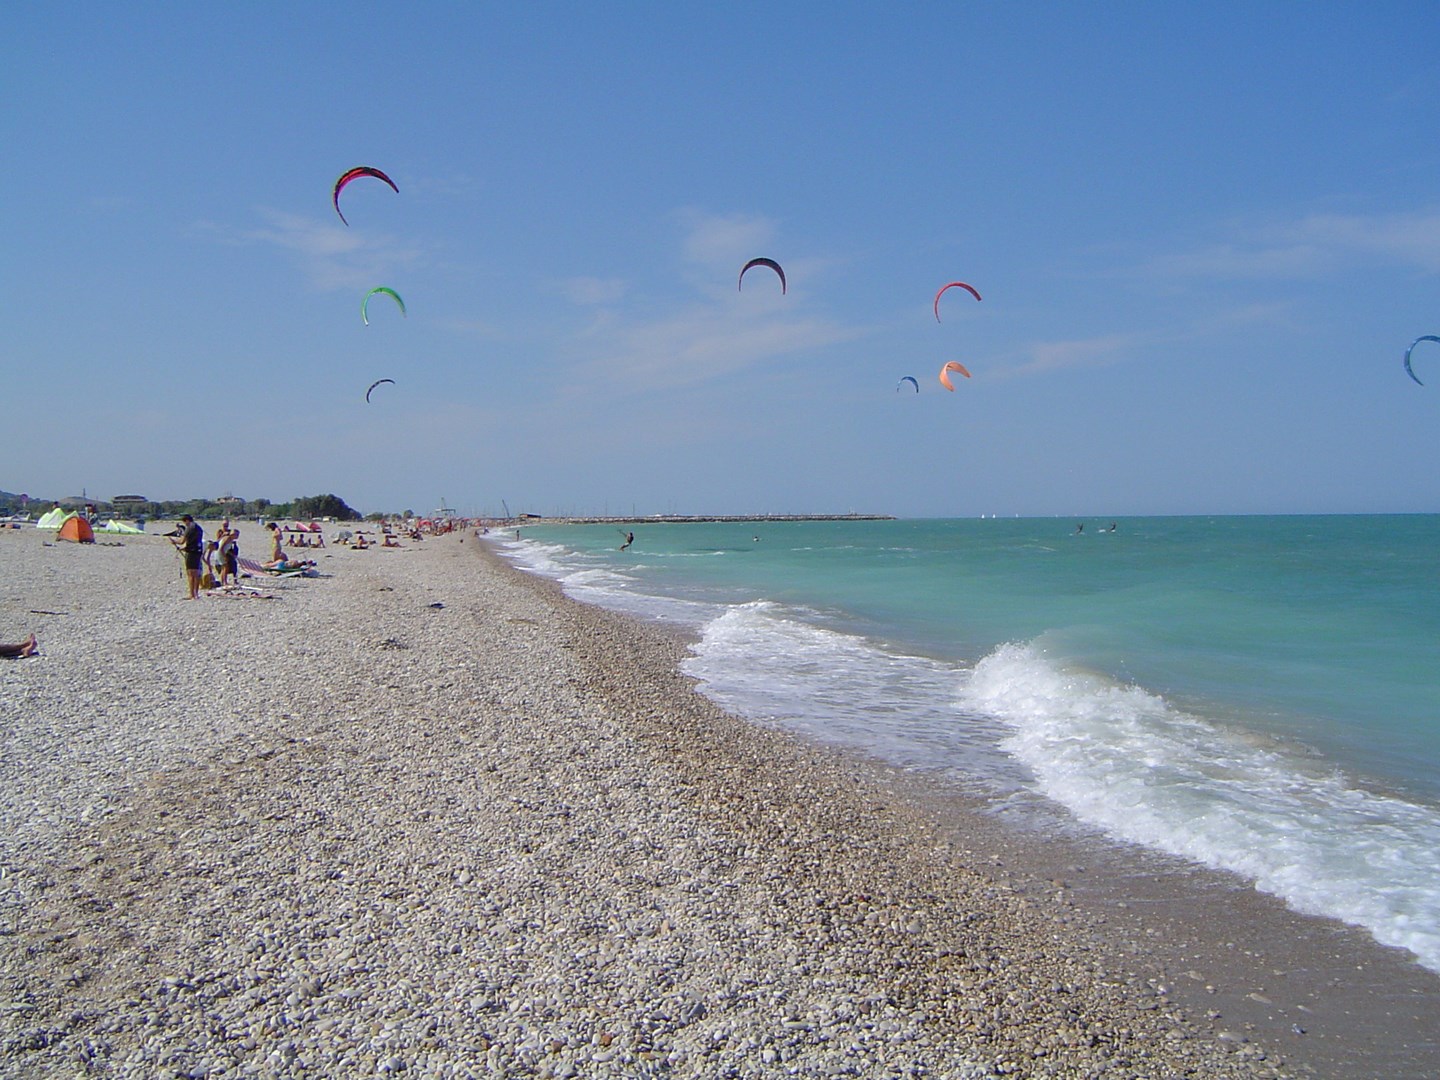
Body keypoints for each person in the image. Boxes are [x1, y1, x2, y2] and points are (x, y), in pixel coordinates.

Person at [172, 514, 204, 599]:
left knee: (190, 574)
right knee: (196, 573)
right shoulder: (198, 528)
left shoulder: (189, 528)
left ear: (186, 521)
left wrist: (174, 541)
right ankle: (196, 594)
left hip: (191, 552)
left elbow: (182, 541)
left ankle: (191, 594)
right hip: (198, 551)